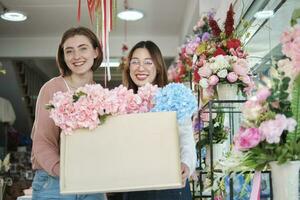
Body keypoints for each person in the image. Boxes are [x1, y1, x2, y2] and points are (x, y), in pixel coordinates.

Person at [31, 26, 106, 200]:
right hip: (54, 182)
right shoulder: (52, 89)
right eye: (69, 51)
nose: (76, 56)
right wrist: (64, 173)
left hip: (91, 182)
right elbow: (42, 142)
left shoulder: (101, 93)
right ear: (64, 57)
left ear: (96, 52)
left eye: (83, 48)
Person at [122, 40, 197, 200]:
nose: (140, 68)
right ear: (129, 68)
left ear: (158, 66)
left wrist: (186, 164)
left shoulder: (173, 97)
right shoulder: (121, 102)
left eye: (148, 62)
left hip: (169, 183)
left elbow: (186, 137)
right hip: (135, 185)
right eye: (135, 62)